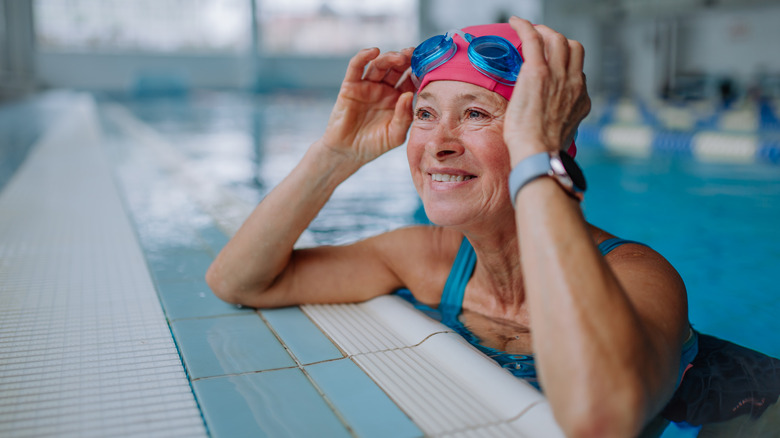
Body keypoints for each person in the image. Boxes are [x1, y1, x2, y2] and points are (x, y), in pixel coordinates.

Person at [206, 17, 695, 438]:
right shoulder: (430, 258)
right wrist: (336, 155)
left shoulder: (637, 275)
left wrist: (537, 154)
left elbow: (602, 421)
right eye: (425, 114)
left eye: (476, 114)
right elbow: (239, 282)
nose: (438, 143)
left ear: (547, 139)